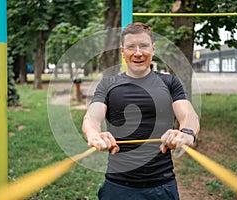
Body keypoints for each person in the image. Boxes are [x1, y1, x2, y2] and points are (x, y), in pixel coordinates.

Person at [82, 22, 200, 200]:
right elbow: (91, 118)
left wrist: (187, 133)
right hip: (118, 186)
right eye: (131, 47)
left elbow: (188, 115)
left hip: (162, 186)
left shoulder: (170, 82)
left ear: (153, 49)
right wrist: (93, 135)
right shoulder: (108, 84)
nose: (138, 53)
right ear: (123, 52)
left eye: (144, 46)